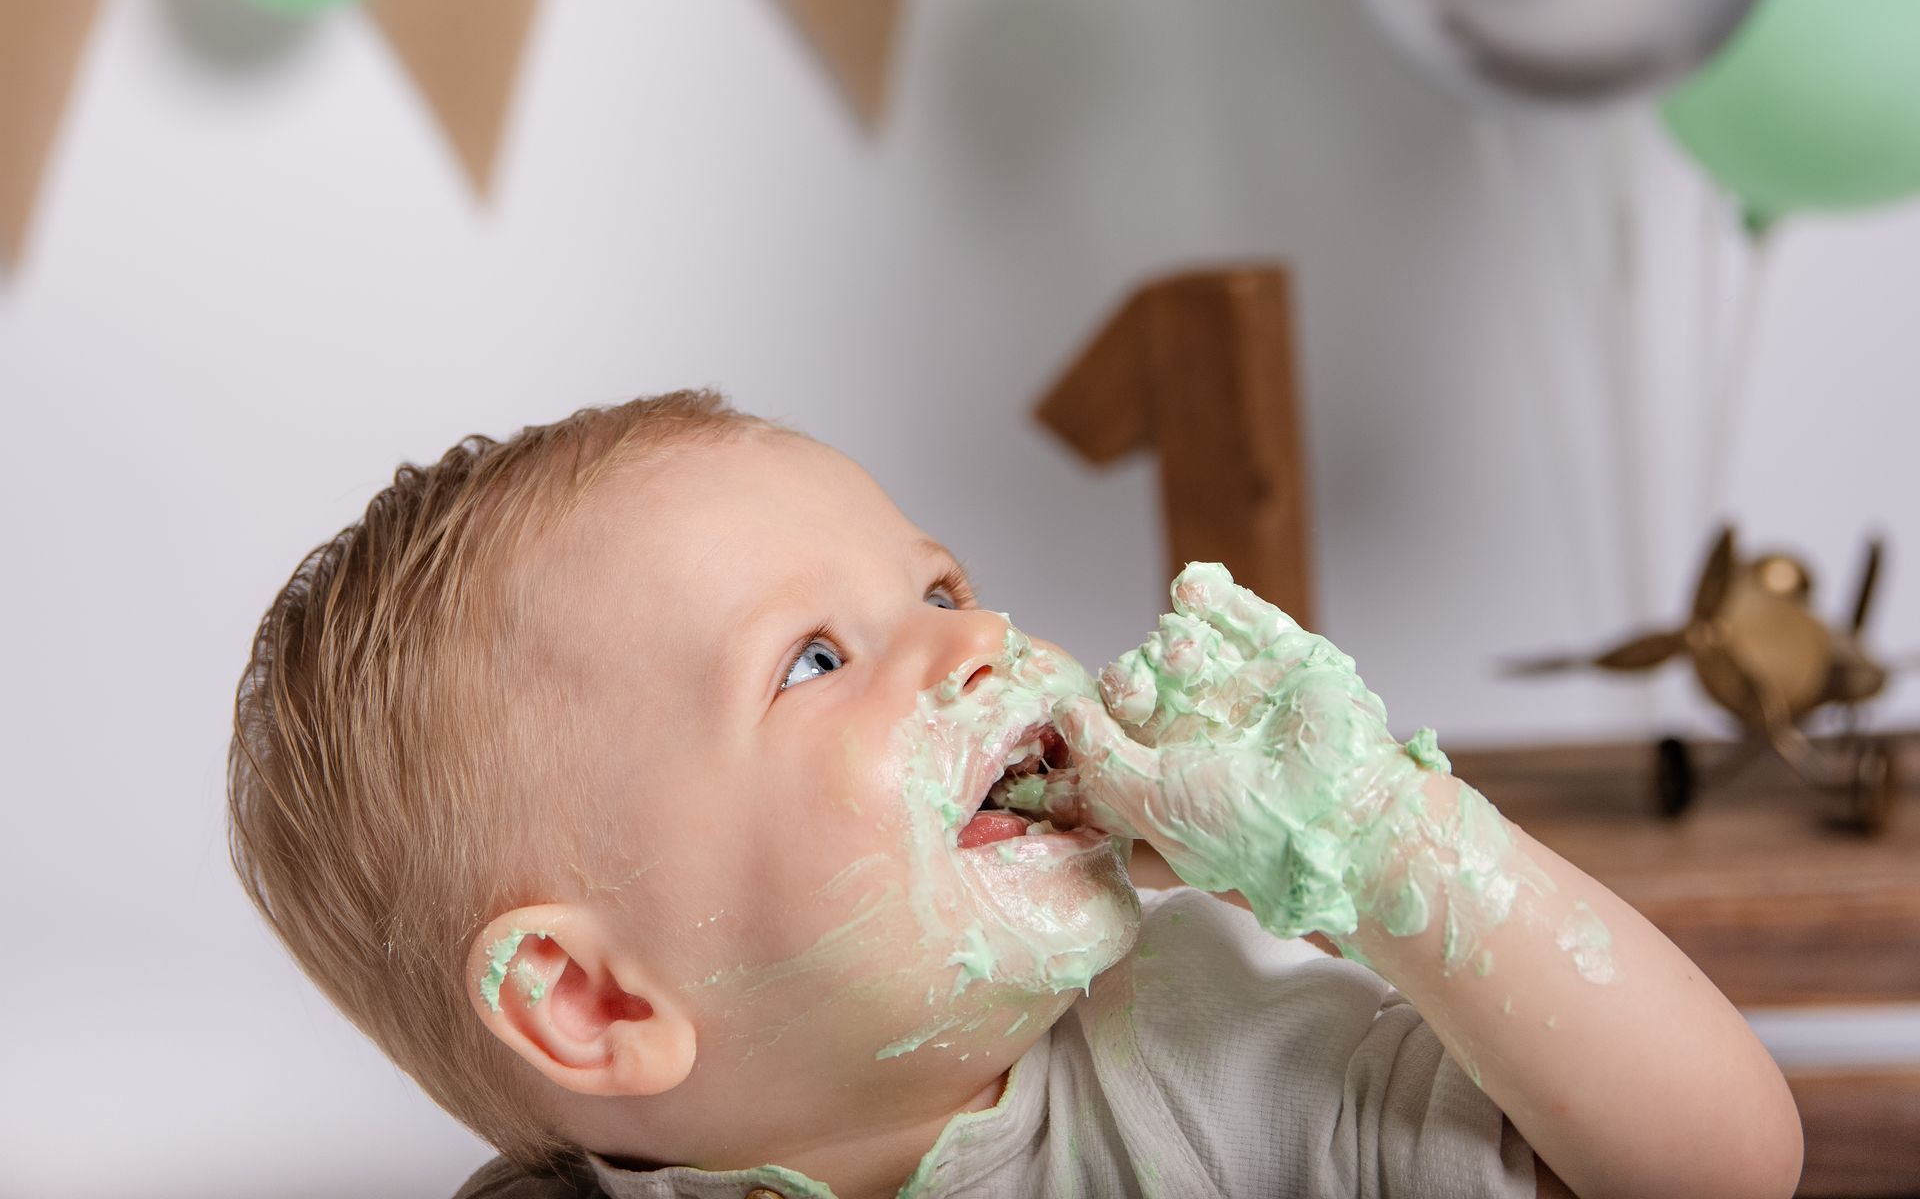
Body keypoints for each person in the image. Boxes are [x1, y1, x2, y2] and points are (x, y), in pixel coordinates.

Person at [228, 390, 1802, 1199]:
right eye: (815, 660)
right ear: (596, 1002)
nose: (976, 637)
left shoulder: (1203, 1054)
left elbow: (1720, 1172)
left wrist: (1395, 848)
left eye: (938, 585)